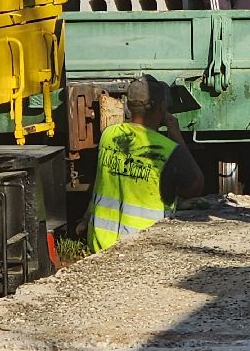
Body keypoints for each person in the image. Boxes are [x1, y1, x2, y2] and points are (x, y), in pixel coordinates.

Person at [85, 76, 203, 252]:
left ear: (128, 105)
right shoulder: (167, 150)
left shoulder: (108, 135)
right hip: (143, 248)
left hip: (101, 245)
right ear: (162, 109)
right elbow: (195, 187)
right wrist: (176, 135)